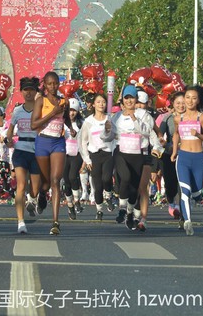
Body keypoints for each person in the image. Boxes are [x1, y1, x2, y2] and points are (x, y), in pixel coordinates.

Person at [112, 84, 162, 232]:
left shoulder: (144, 115)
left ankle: (133, 215)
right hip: (123, 152)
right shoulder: (117, 116)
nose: (129, 101)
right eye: (126, 98)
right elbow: (109, 136)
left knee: (137, 188)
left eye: (132, 98)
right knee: (125, 178)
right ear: (123, 100)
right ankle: (123, 209)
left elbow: (149, 133)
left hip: (140, 153)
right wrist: (107, 131)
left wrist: (135, 120)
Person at [31, 71, 69, 236]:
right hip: (43, 142)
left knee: (55, 180)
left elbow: (66, 118)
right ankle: (42, 194)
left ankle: (55, 222)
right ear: (45, 85)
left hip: (58, 142)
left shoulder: (64, 101)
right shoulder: (41, 101)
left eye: (55, 83)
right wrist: (52, 113)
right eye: (50, 84)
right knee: (45, 182)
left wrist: (72, 128)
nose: (53, 86)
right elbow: (33, 124)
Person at [171, 85, 203, 236]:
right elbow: (176, 134)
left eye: (194, 98)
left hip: (198, 158)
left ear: (198, 100)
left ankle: (198, 196)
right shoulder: (178, 118)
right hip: (183, 158)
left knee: (196, 192)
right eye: (187, 97)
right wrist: (174, 151)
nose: (190, 101)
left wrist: (198, 134)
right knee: (185, 191)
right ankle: (187, 221)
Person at [6, 77, 42, 235]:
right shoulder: (17, 111)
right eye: (26, 90)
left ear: (36, 92)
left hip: (37, 150)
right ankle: (20, 222)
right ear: (21, 92)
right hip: (20, 149)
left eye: (31, 90)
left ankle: (32, 198)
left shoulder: (40, 110)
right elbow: (10, 130)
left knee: (35, 187)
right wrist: (8, 140)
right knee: (21, 185)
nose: (28, 93)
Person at [79, 93, 116, 221]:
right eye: (98, 102)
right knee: (97, 186)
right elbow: (83, 141)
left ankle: (109, 195)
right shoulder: (88, 121)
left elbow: (116, 136)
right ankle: (99, 209)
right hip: (94, 155)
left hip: (108, 153)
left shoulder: (110, 119)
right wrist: (87, 159)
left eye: (103, 102)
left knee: (107, 178)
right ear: (93, 104)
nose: (101, 104)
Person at [157, 93, 185, 222]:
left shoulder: (193, 117)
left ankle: (181, 208)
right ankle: (171, 201)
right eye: (178, 103)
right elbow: (160, 134)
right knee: (170, 184)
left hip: (186, 154)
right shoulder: (167, 118)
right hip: (169, 155)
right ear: (173, 104)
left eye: (183, 102)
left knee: (183, 184)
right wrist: (163, 142)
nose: (181, 105)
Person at [63, 99, 85, 219]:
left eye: (74, 111)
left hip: (77, 153)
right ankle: (70, 205)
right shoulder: (62, 122)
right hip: (64, 153)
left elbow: (85, 139)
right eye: (69, 110)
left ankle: (77, 200)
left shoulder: (82, 123)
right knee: (66, 181)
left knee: (72, 176)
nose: (71, 113)